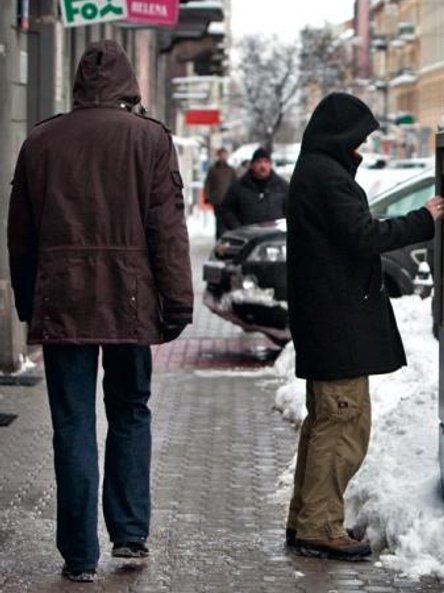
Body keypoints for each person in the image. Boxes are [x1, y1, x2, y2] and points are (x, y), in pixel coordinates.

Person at [6, 40, 193, 583]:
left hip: (63, 302)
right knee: (131, 410)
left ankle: (79, 555)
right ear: (128, 84)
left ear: (79, 85)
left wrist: (27, 301)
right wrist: (177, 300)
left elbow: (21, 236)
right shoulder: (150, 139)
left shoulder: (40, 141)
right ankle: (130, 532)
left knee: (72, 422)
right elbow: (167, 231)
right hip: (131, 302)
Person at [284, 92, 444, 561]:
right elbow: (362, 236)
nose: (362, 149)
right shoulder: (326, 178)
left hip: (326, 322)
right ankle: (319, 527)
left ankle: (308, 518)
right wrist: (424, 219)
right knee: (344, 425)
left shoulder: (315, 172)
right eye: (358, 139)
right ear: (339, 137)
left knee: (324, 424)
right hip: (338, 325)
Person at [219, 147, 289, 231]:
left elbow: (293, 210)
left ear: (270, 165)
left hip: (275, 238)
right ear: (252, 165)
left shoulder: (282, 186)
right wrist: (238, 228)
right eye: (259, 162)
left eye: (266, 162)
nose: (263, 166)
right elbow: (227, 210)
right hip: (248, 237)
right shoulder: (239, 186)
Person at [203, 147, 237, 238]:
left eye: (224, 155)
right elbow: (208, 183)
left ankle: (227, 238)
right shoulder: (213, 169)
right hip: (217, 200)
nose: (222, 157)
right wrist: (207, 196)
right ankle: (219, 239)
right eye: (221, 155)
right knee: (219, 222)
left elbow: (236, 184)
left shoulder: (231, 170)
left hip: (229, 201)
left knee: (229, 221)